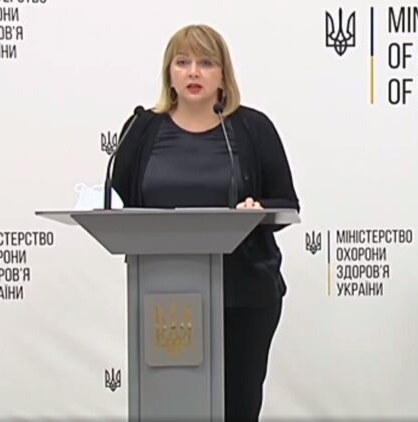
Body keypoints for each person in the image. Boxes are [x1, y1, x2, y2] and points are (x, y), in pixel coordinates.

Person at [111, 24, 300, 420]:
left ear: (223, 75)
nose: (194, 72)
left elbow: (286, 202)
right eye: (183, 62)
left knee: (237, 408)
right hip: (163, 298)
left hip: (244, 295)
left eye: (206, 63)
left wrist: (257, 209)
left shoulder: (252, 128)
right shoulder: (142, 129)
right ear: (169, 74)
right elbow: (121, 200)